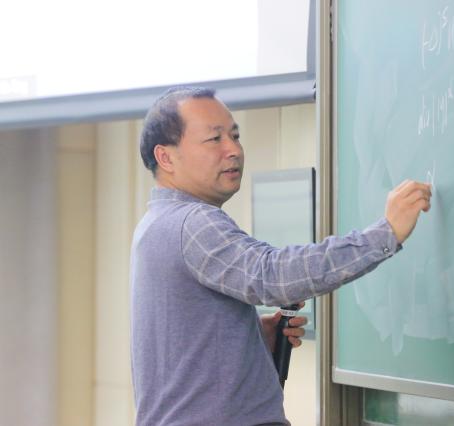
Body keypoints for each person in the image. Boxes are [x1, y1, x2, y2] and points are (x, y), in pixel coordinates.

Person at [130, 86, 432, 426]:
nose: (234, 150)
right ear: (166, 157)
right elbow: (271, 275)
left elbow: (180, 346)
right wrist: (385, 233)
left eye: (235, 136)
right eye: (214, 139)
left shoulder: (155, 224)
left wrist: (249, 338)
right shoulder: (194, 222)